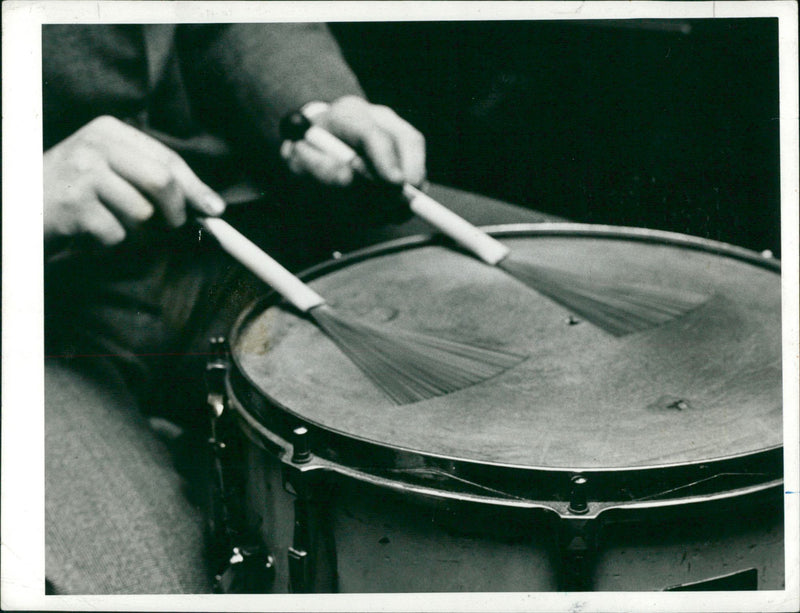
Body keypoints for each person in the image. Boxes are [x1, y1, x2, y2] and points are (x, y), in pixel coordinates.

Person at [43, 23, 552, 594]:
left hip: (218, 229)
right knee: (152, 590)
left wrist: (310, 108)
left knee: (587, 303)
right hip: (34, 314)